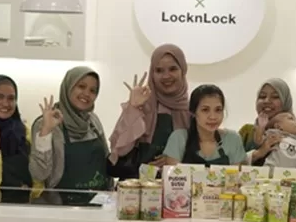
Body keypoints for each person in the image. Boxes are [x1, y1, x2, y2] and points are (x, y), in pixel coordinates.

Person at [109, 44, 191, 174]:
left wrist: (173, 158)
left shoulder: (192, 110)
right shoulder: (143, 105)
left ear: (183, 70)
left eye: (173, 69)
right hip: (138, 183)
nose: (166, 76)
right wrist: (133, 108)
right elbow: (119, 149)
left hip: (178, 183)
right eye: (159, 70)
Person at [31, 67, 109, 191]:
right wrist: (46, 131)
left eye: (92, 90)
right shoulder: (46, 122)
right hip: (62, 201)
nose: (87, 94)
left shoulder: (93, 121)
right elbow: (39, 174)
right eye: (81, 86)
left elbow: (107, 162)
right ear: (68, 87)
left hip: (99, 200)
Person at [163, 85, 247, 166]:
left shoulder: (232, 139)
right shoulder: (179, 138)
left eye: (218, 110)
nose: (213, 117)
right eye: (205, 110)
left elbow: (238, 174)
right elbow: (173, 174)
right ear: (193, 112)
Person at [238, 79, 296, 165]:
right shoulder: (246, 132)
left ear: (285, 101)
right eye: (262, 96)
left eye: (275, 97)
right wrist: (258, 153)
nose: (267, 101)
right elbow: (230, 166)